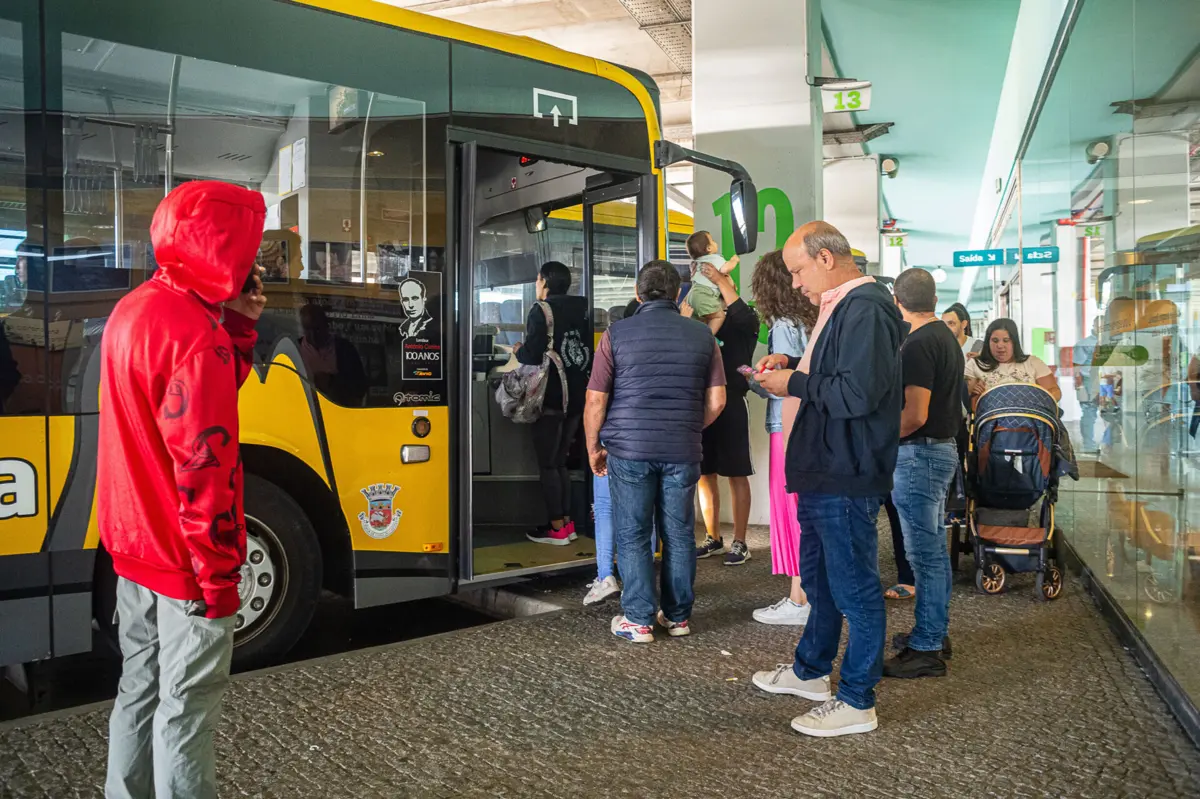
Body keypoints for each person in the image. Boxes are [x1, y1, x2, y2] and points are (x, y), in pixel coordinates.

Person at [98, 181, 266, 798]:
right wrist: (219, 578)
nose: (252, 262)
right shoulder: (196, 335)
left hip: (132, 544)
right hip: (183, 559)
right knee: (186, 709)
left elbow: (192, 403)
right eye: (245, 246)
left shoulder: (135, 308)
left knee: (138, 689)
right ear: (222, 247)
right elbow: (205, 468)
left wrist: (238, 326)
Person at [751, 221, 904, 738]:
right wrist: (793, 363)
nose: (795, 284)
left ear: (824, 258)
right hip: (827, 469)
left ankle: (857, 700)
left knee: (855, 589)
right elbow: (841, 374)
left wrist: (792, 381)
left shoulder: (866, 307)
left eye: (798, 271)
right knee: (819, 581)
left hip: (845, 471)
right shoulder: (847, 305)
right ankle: (810, 672)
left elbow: (857, 394)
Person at [584, 260, 726, 643]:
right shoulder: (702, 335)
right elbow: (717, 401)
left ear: (638, 293)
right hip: (682, 450)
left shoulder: (616, 334)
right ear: (678, 293)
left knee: (633, 533)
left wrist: (594, 447)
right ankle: (678, 618)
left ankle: (638, 619)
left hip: (629, 449)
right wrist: (688, 428)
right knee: (679, 533)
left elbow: (595, 400)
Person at [883, 269, 963, 679]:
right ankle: (933, 631)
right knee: (933, 551)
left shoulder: (916, 345)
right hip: (939, 451)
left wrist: (876, 437)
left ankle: (927, 647)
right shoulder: (944, 336)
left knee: (924, 554)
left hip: (919, 455)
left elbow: (914, 415)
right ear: (934, 299)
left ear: (897, 302)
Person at [747, 249, 816, 624]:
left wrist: (754, 381)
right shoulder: (813, 318)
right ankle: (804, 596)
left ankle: (800, 599)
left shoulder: (784, 325)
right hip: (811, 427)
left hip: (786, 428)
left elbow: (785, 386)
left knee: (791, 513)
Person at [513, 261, 590, 545]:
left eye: (537, 280)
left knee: (547, 465)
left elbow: (533, 355)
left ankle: (556, 528)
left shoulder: (541, 310)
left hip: (550, 396)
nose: (537, 284)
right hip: (577, 395)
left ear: (544, 281)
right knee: (560, 463)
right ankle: (567, 524)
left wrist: (519, 350)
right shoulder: (583, 308)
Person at [692, 261, 760, 566]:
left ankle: (741, 541)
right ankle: (713, 537)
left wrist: (720, 279)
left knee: (736, 472)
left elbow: (744, 314)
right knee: (704, 473)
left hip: (732, 401)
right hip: (702, 401)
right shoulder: (700, 320)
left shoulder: (742, 319)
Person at [966, 318, 1061, 406]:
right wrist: (975, 395)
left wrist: (1033, 402)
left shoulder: (1033, 362)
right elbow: (969, 403)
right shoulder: (975, 365)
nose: (1000, 345)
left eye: (1006, 340)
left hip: (1029, 415)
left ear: (1014, 342)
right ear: (988, 342)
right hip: (992, 417)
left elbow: (1055, 392)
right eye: (995, 341)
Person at [298, 303, 369, 407]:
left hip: (338, 410)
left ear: (327, 325)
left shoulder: (345, 349)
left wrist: (331, 381)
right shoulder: (295, 348)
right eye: (308, 329)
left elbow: (360, 388)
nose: (313, 335)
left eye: (317, 329)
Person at [685, 230, 740, 335]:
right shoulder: (714, 259)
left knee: (700, 323)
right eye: (713, 240)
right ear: (709, 248)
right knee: (719, 317)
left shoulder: (696, 262)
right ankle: (707, 338)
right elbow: (725, 269)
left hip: (692, 297)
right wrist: (734, 260)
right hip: (704, 296)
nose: (715, 242)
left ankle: (697, 337)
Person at [1073, 318, 1103, 451]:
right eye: (1099, 325)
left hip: (1107, 380)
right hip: (1088, 381)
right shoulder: (1084, 344)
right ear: (1094, 326)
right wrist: (1080, 386)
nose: (1101, 328)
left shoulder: (1111, 343)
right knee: (1089, 412)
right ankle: (1088, 445)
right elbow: (1076, 368)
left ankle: (1109, 443)